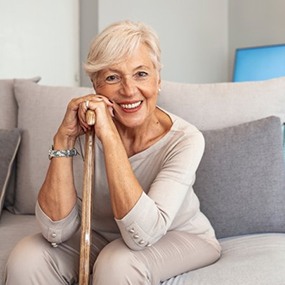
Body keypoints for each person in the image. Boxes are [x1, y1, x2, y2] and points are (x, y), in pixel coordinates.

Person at [5, 20, 221, 285]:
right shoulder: (83, 131)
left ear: (158, 79)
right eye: (112, 77)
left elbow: (141, 235)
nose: (129, 90)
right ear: (96, 87)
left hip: (177, 236)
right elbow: (55, 231)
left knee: (117, 263)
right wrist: (64, 138)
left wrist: (109, 137)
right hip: (100, 236)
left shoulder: (185, 139)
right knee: (27, 257)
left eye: (141, 74)